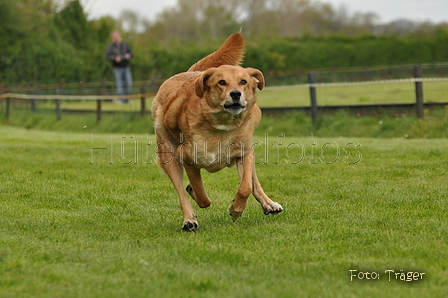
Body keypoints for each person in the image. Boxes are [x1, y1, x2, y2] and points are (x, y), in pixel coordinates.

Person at [106, 31, 133, 104]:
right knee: (119, 84)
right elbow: (108, 56)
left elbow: (131, 52)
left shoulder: (125, 44)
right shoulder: (111, 46)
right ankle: (121, 99)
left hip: (126, 67)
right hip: (117, 68)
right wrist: (115, 58)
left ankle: (128, 99)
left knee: (128, 83)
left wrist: (129, 55)